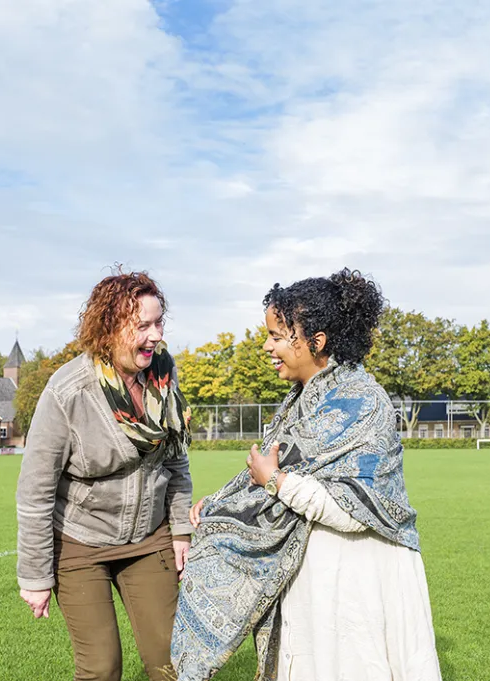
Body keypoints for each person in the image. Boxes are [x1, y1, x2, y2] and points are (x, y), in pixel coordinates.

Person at [173, 268, 441, 681]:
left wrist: (276, 483)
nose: (267, 347)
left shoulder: (362, 403)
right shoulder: (300, 401)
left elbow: (355, 510)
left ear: (316, 341)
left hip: (360, 579)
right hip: (316, 579)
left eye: (279, 336)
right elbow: (269, 472)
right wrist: (224, 503)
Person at [16, 270, 193, 681]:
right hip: (81, 542)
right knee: (101, 668)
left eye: (158, 322)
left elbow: (176, 459)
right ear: (109, 328)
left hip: (150, 537)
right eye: (142, 326)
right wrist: (36, 576)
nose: (155, 336)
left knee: (173, 663)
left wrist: (181, 528)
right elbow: (35, 491)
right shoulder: (69, 391)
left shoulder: (164, 378)